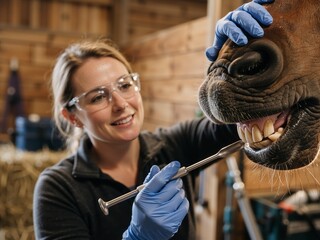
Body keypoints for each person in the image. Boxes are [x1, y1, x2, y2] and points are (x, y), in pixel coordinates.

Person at [33, 1, 273, 239]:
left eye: (125, 85)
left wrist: (235, 51)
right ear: (73, 117)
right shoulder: (58, 188)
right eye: (98, 97)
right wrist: (138, 238)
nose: (121, 104)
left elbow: (239, 115)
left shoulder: (173, 145)